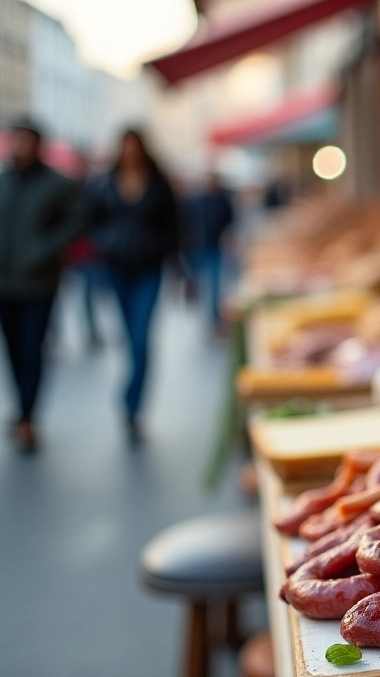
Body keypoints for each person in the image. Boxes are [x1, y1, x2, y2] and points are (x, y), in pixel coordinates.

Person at [0, 117, 88, 452]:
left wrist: (45, 249)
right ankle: (22, 408)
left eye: (25, 140)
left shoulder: (58, 184)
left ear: (38, 145)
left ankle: (27, 416)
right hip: (5, 281)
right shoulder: (4, 181)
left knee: (32, 348)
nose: (19, 146)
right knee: (11, 350)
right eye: (15, 139)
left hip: (39, 282)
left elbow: (76, 222)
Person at [87, 128, 180, 442]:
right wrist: (104, 245)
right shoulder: (104, 183)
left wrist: (170, 258)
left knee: (140, 339)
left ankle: (132, 405)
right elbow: (90, 220)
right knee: (129, 338)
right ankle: (132, 398)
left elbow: (176, 226)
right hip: (116, 268)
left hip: (149, 269)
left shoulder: (158, 184)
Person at [184, 171, 235, 333]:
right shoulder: (197, 200)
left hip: (215, 247)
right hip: (198, 248)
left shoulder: (222, 200)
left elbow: (229, 222)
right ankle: (207, 316)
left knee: (215, 285)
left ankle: (214, 319)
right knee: (202, 284)